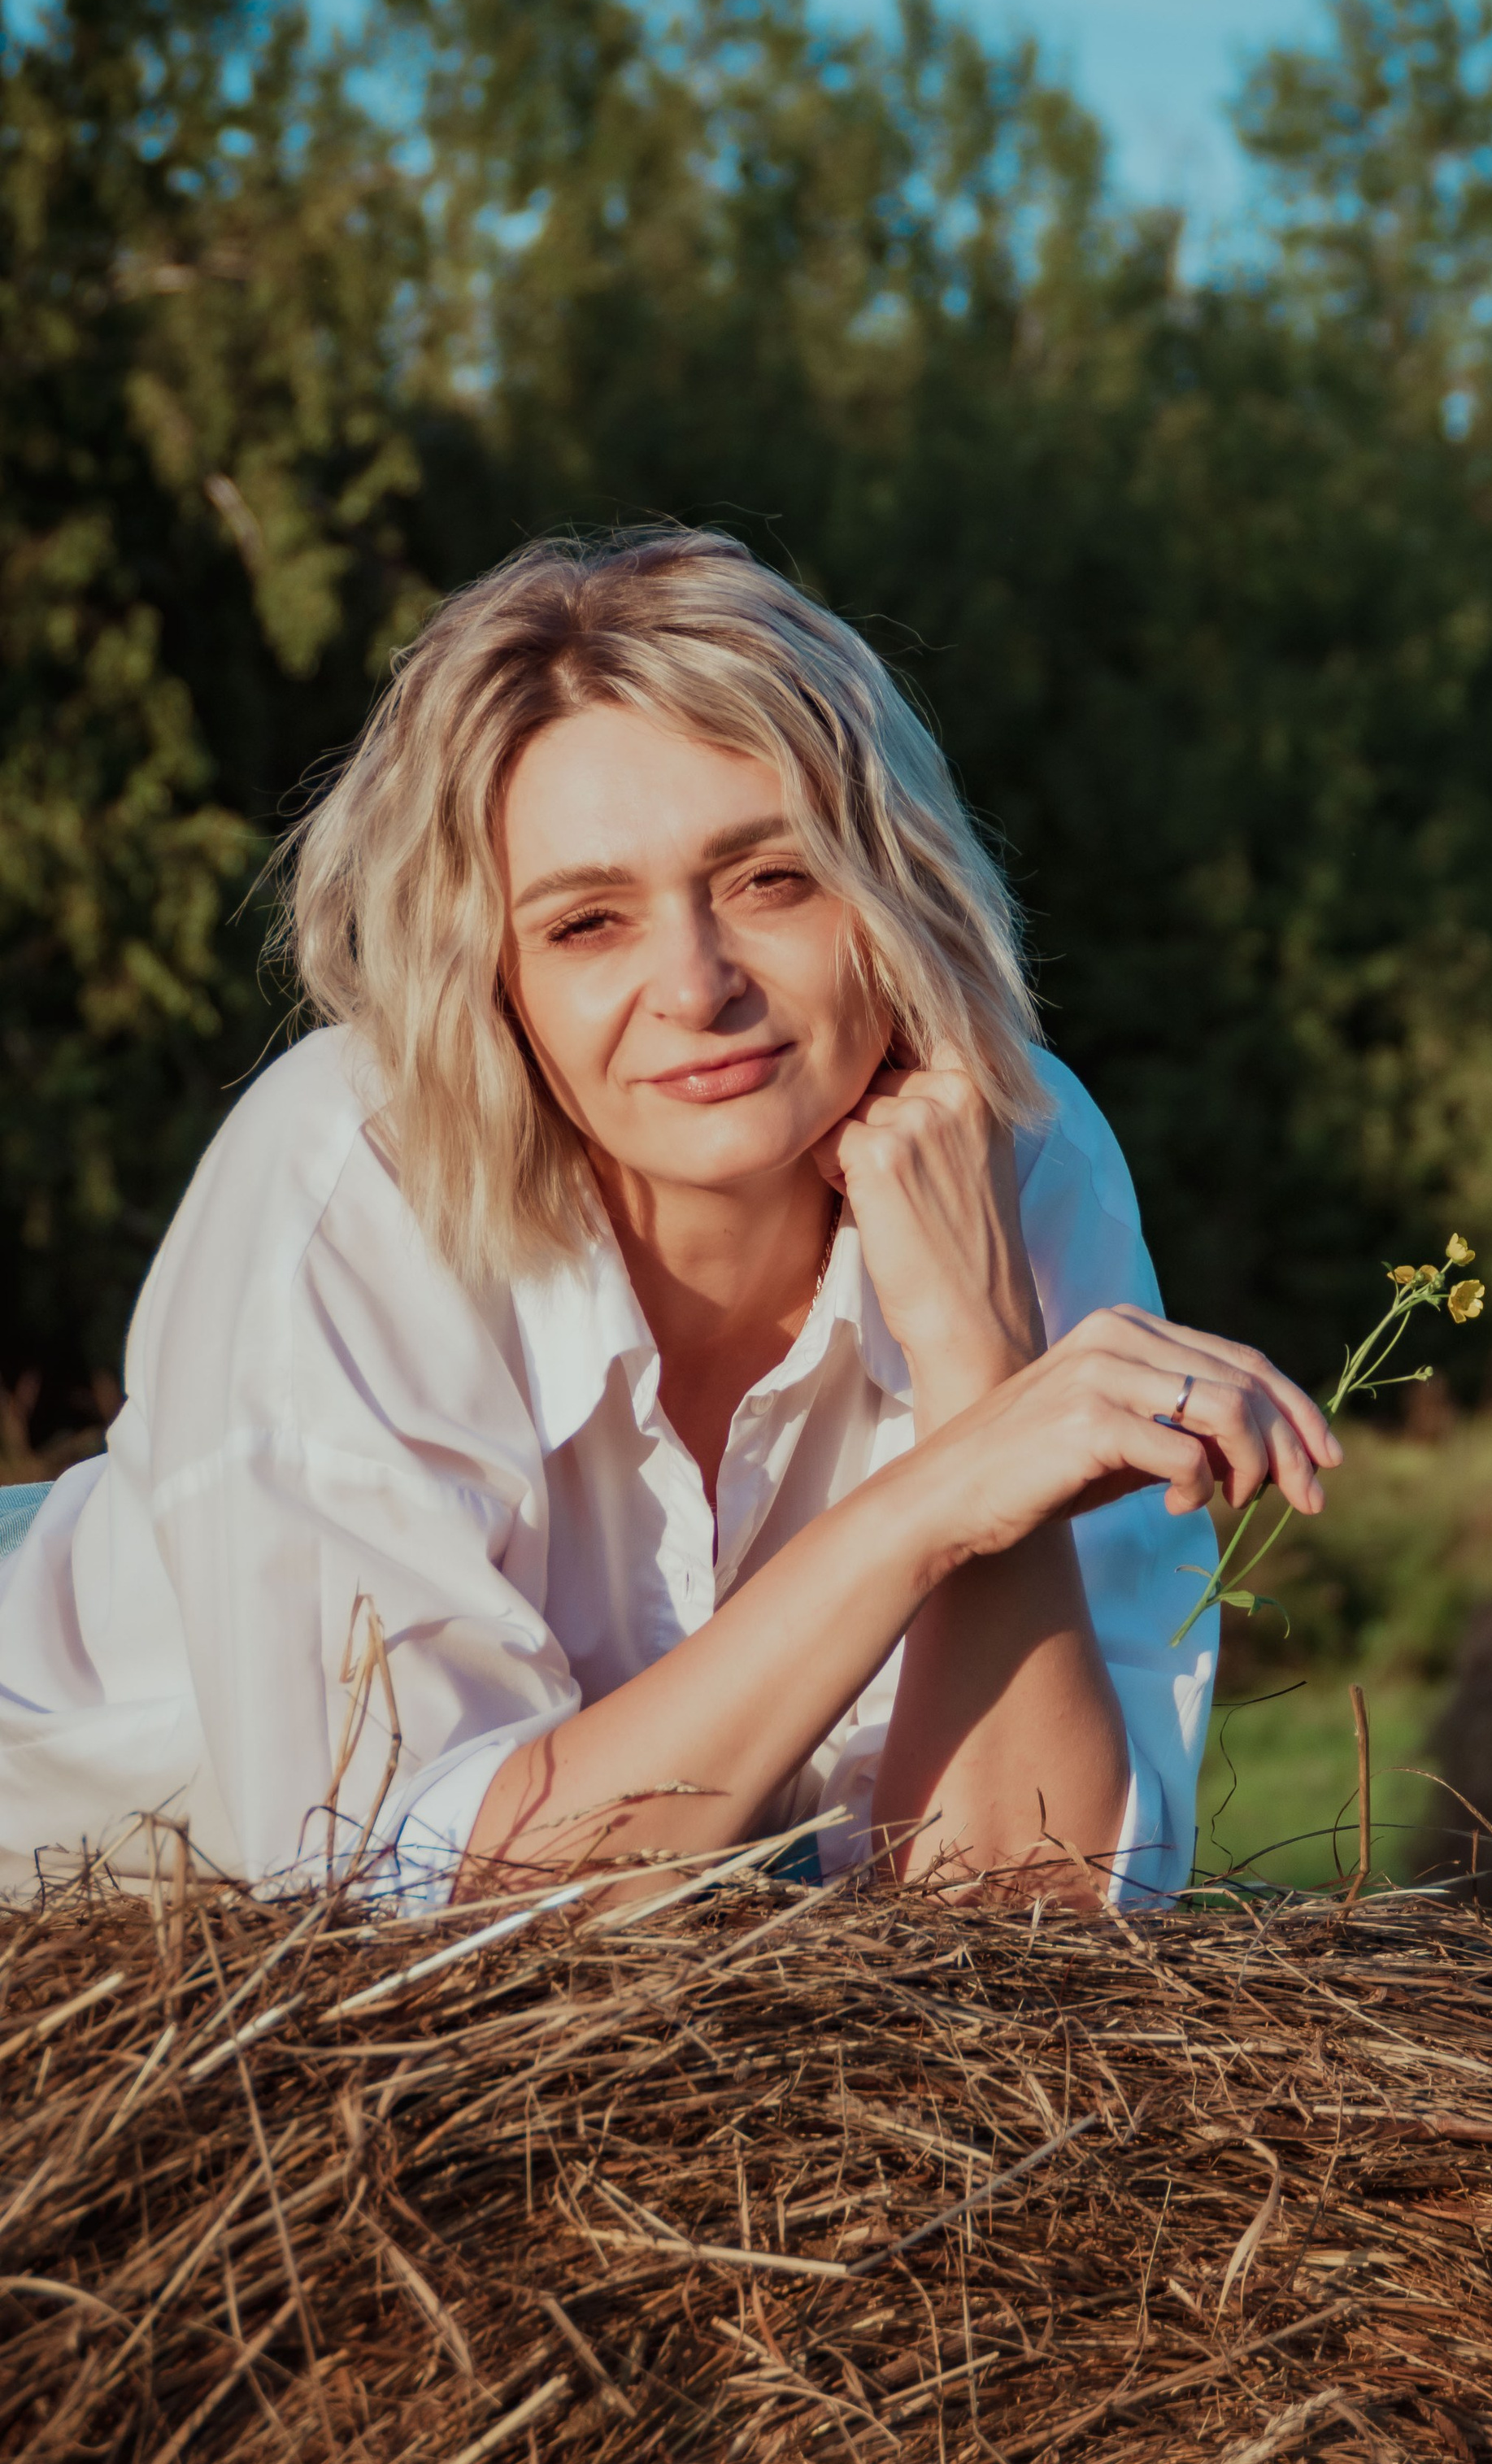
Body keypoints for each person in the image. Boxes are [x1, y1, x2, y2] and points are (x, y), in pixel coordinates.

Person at [0, 531, 1336, 1906]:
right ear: (491, 975)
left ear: (892, 892)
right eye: (587, 922)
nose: (696, 985)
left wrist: (981, 1360)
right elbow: (432, 1913)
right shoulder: (346, 1177)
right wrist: (945, 1495)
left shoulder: (1021, 1149)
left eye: (771, 880)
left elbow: (1021, 1918)